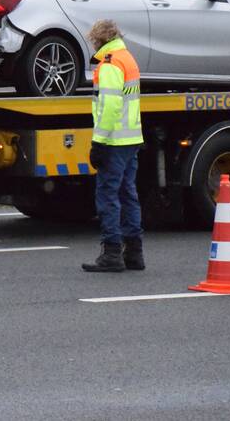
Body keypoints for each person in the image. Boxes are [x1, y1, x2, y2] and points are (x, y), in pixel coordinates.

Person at [82, 19, 144, 273]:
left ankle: (112, 253)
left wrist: (99, 141)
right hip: (131, 139)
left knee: (108, 196)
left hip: (114, 140)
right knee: (128, 195)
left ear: (98, 39)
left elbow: (109, 106)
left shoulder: (109, 64)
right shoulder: (127, 58)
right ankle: (134, 253)